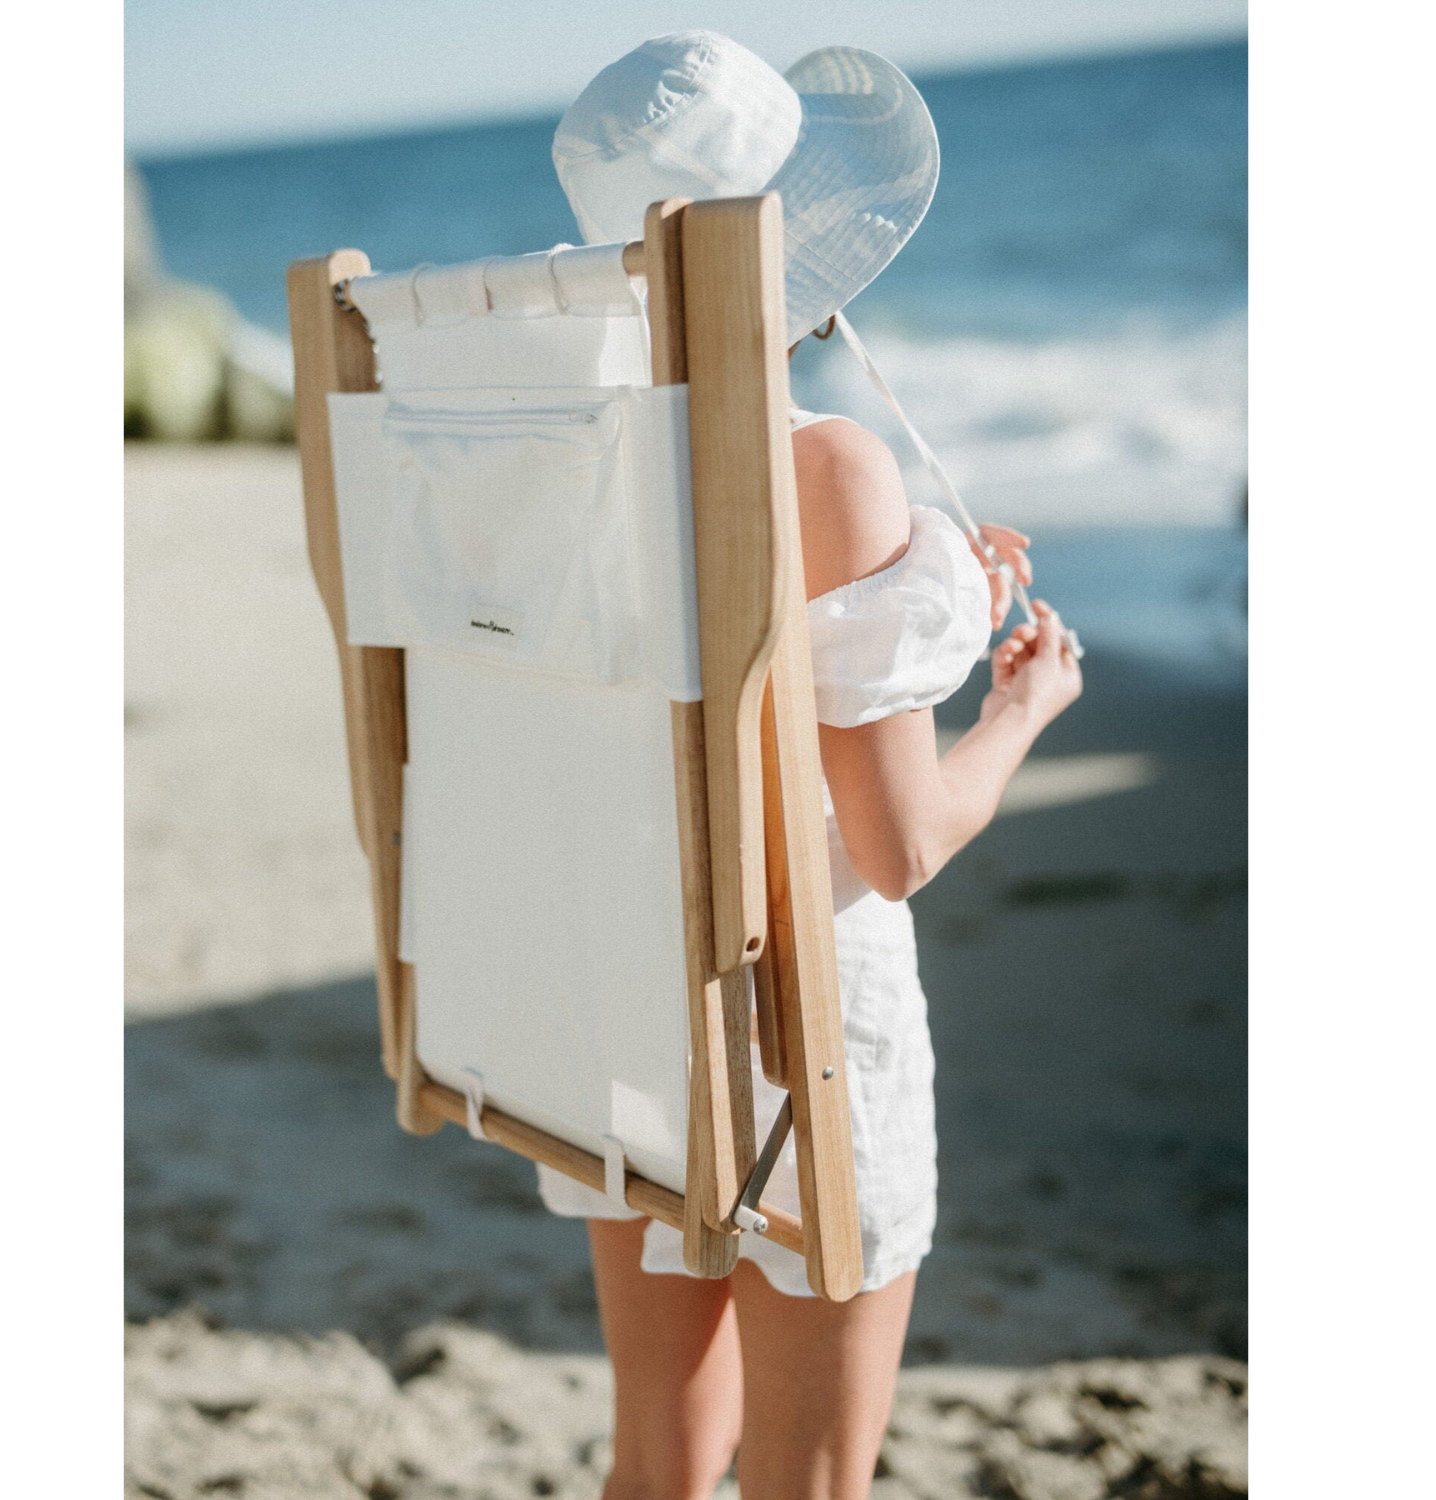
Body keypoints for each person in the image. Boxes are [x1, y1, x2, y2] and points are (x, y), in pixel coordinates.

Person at [541, 33, 1083, 1499]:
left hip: (615, 1002)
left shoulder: (557, 451)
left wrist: (910, 602)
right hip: (794, 1025)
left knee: (656, 1465)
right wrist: (1017, 713)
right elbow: (897, 848)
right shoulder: (831, 467)